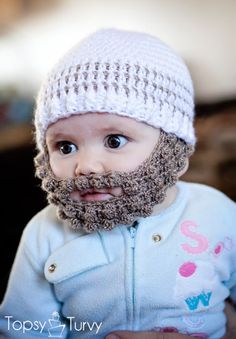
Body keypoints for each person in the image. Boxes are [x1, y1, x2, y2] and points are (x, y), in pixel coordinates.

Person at [0, 28, 235, 339]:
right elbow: (22, 329)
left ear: (171, 143)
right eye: (65, 147)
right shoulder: (45, 235)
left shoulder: (218, 213)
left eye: (114, 140)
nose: (86, 167)